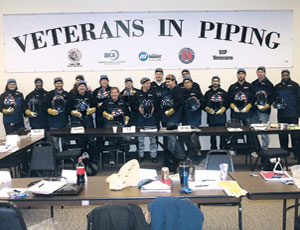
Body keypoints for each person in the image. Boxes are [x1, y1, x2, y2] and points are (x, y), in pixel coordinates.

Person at [274, 69, 300, 161]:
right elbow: (274, 100)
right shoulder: (277, 86)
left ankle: (297, 154)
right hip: (281, 115)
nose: (285, 76)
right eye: (283, 75)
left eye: (286, 75)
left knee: (295, 136)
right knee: (282, 135)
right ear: (281, 76)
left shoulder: (295, 85)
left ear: (289, 75)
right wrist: (275, 105)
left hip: (293, 115)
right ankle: (284, 153)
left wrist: (298, 114)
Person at [102, 87, 130, 165]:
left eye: (115, 92)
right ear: (110, 94)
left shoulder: (123, 102)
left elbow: (127, 114)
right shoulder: (106, 102)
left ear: (118, 93)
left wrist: (126, 120)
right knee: (111, 138)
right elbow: (101, 113)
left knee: (127, 138)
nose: (114, 94)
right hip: (110, 123)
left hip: (121, 124)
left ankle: (125, 157)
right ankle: (112, 158)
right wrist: (106, 115)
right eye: (112, 93)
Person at [133, 77, 158, 163]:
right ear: (142, 84)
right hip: (141, 119)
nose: (149, 85)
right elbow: (132, 106)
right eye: (147, 83)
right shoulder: (136, 94)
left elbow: (158, 105)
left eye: (149, 83)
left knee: (153, 139)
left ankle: (153, 155)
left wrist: (154, 109)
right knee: (140, 139)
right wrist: (138, 109)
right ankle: (141, 155)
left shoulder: (153, 94)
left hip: (151, 119)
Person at [161, 74, 185, 160]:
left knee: (171, 137)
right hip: (168, 117)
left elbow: (180, 102)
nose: (167, 83)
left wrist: (171, 111)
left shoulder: (177, 89)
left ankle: (171, 157)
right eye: (166, 81)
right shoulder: (169, 90)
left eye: (169, 81)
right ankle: (180, 155)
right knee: (172, 137)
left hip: (174, 117)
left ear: (174, 81)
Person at [251, 66, 275, 150]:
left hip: (264, 110)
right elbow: (251, 96)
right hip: (254, 110)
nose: (259, 73)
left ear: (264, 73)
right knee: (253, 129)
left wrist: (267, 105)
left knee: (264, 129)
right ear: (256, 73)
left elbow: (272, 96)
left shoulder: (269, 84)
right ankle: (255, 148)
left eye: (261, 72)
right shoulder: (253, 84)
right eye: (258, 72)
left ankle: (264, 148)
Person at [181, 76, 206, 157]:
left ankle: (198, 152)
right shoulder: (182, 92)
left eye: (188, 82)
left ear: (192, 83)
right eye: (185, 83)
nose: (187, 84)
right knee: (186, 137)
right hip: (185, 118)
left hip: (195, 117)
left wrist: (198, 104)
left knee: (194, 136)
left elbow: (203, 102)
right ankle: (190, 152)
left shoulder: (197, 92)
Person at [204, 76, 229, 149]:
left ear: (219, 82)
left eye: (217, 81)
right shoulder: (207, 93)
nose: (215, 82)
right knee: (212, 135)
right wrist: (207, 109)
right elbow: (203, 103)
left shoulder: (224, 93)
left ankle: (222, 148)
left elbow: (227, 103)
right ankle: (213, 148)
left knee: (222, 135)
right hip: (211, 117)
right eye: (214, 81)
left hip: (221, 117)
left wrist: (224, 109)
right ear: (212, 82)